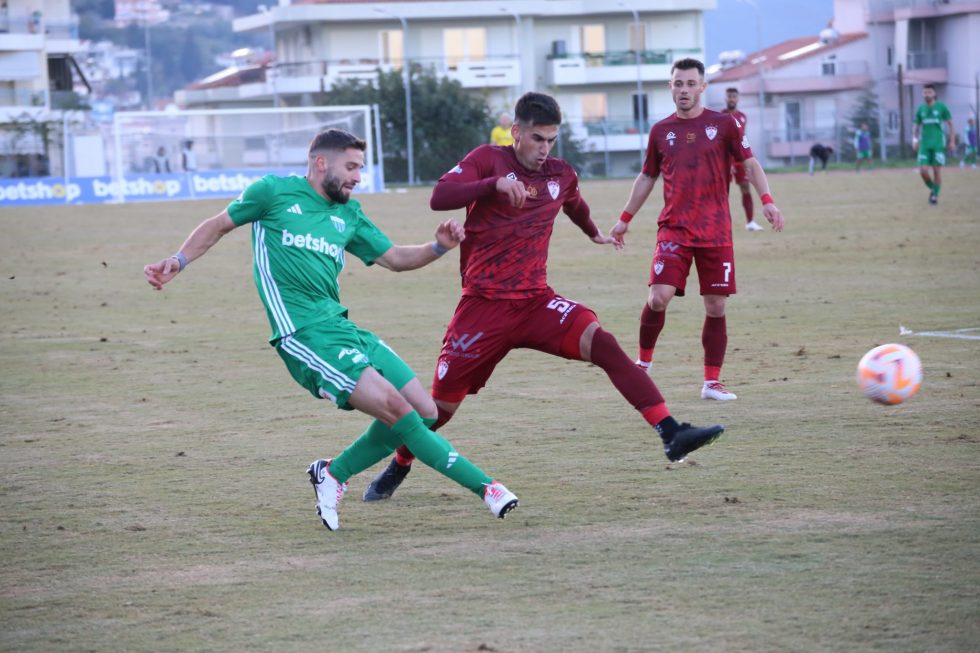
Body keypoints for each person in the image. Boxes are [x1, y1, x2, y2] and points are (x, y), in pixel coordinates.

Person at [143, 128, 519, 531]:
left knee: (425, 413)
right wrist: (178, 261)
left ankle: (333, 473)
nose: (358, 176)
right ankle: (488, 488)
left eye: (361, 167)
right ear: (321, 162)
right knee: (398, 410)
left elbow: (394, 258)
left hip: (344, 328)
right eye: (352, 166)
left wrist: (438, 246)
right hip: (304, 337)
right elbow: (217, 225)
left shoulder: (348, 214)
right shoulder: (273, 193)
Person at [362, 92, 724, 502]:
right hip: (483, 308)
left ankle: (670, 431)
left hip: (536, 303)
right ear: (516, 132)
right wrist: (493, 185)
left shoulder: (561, 174)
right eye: (537, 138)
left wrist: (594, 233)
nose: (544, 148)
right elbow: (439, 197)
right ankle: (401, 462)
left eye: (551, 140)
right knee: (438, 412)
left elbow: (575, 204)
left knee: (602, 343)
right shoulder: (488, 159)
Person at [611, 58, 785, 402]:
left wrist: (767, 199)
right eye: (678, 84)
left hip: (715, 232)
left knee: (716, 306)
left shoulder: (724, 125)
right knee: (658, 297)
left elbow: (750, 163)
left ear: (703, 87)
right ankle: (642, 364)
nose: (684, 90)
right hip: (674, 229)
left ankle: (711, 383)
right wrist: (624, 219)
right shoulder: (661, 131)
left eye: (691, 84)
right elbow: (647, 176)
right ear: (670, 87)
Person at [722, 88, 762, 231]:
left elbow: (741, 138)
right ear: (725, 98)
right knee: (721, 192)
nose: (731, 99)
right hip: (724, 159)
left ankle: (750, 222)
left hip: (739, 158)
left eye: (734, 96)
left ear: (737, 99)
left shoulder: (742, 116)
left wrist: (750, 154)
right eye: (729, 96)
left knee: (745, 186)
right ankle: (720, 223)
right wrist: (726, 161)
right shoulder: (720, 116)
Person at [912, 83, 954, 205]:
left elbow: (951, 124)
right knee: (923, 171)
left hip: (938, 144)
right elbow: (916, 126)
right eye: (925, 92)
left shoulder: (942, 107)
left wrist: (952, 141)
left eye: (929, 92)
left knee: (936, 171)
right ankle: (934, 190)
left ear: (934, 94)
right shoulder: (921, 109)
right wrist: (915, 140)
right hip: (924, 145)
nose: (927, 94)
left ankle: (934, 196)